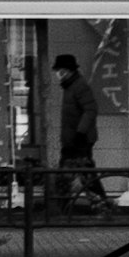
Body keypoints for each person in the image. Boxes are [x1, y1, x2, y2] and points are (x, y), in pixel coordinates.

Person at [50, 51, 100, 211]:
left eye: (61, 71)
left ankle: (100, 206)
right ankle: (100, 206)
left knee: (81, 174)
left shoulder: (79, 86)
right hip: (74, 139)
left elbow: (91, 110)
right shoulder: (71, 86)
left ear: (69, 71)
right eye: (58, 72)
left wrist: (80, 133)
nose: (58, 75)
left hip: (80, 140)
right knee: (81, 174)